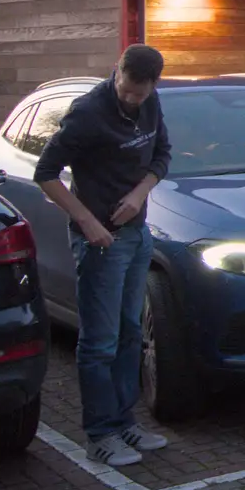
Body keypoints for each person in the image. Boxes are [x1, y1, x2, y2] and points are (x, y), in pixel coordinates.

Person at [34, 44, 174, 466]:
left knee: (131, 331)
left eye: (139, 93)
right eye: (125, 89)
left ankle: (125, 423)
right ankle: (100, 434)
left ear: (153, 85)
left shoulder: (151, 104)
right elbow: (46, 174)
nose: (130, 99)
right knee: (100, 341)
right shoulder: (88, 113)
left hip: (135, 235)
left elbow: (162, 156)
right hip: (99, 244)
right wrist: (88, 222)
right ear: (117, 72)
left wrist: (139, 193)